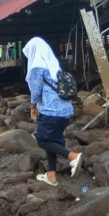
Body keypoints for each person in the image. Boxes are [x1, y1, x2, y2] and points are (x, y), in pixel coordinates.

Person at [23, 37, 84, 186]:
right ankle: (51, 176)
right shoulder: (53, 65)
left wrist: (32, 107)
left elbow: (36, 91)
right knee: (53, 140)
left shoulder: (37, 66)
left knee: (42, 140)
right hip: (65, 111)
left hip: (50, 111)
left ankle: (73, 156)